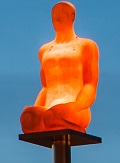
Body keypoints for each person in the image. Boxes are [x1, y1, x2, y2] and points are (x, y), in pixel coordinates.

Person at [20, 2, 98, 134]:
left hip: (76, 108)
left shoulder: (86, 46)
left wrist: (75, 106)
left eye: (60, 15)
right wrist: (36, 109)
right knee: (28, 118)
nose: (56, 19)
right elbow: (45, 88)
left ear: (72, 16)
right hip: (49, 107)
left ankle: (74, 127)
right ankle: (47, 120)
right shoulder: (44, 50)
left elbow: (90, 85)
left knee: (53, 116)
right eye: (54, 16)